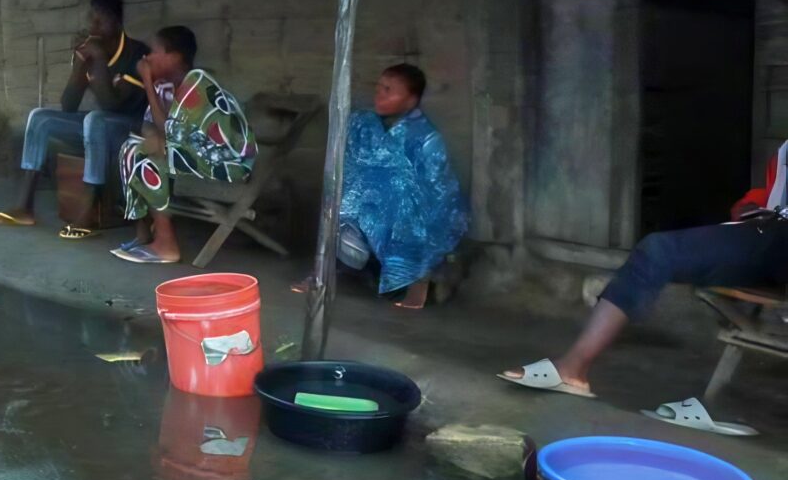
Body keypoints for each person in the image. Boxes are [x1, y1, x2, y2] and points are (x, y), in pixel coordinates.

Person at [501, 146, 788, 401]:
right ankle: (573, 368)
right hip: (768, 237)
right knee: (657, 249)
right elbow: (763, 196)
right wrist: (753, 208)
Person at [0, 0, 149, 237]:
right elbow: (69, 105)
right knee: (40, 117)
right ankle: (24, 207)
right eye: (92, 20)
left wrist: (99, 59)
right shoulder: (91, 54)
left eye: (101, 21)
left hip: (133, 129)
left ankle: (87, 213)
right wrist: (80, 66)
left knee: (95, 119)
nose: (94, 27)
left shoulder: (135, 52)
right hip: (100, 129)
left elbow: (112, 105)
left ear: (118, 24)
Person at [324, 64, 468, 309]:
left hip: (422, 209)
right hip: (373, 203)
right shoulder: (368, 125)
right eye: (379, 87)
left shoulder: (426, 139)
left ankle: (417, 285)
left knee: (404, 204)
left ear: (411, 100)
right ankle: (328, 273)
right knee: (338, 196)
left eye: (389, 90)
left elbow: (435, 190)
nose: (379, 94)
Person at [113, 26, 257, 265]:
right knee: (132, 146)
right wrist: (154, 136)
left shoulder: (197, 82)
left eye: (153, 52)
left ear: (175, 56)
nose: (146, 59)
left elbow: (167, 131)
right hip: (198, 154)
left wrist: (147, 82)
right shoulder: (166, 86)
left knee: (143, 155)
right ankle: (144, 234)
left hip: (228, 162)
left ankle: (166, 244)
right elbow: (150, 127)